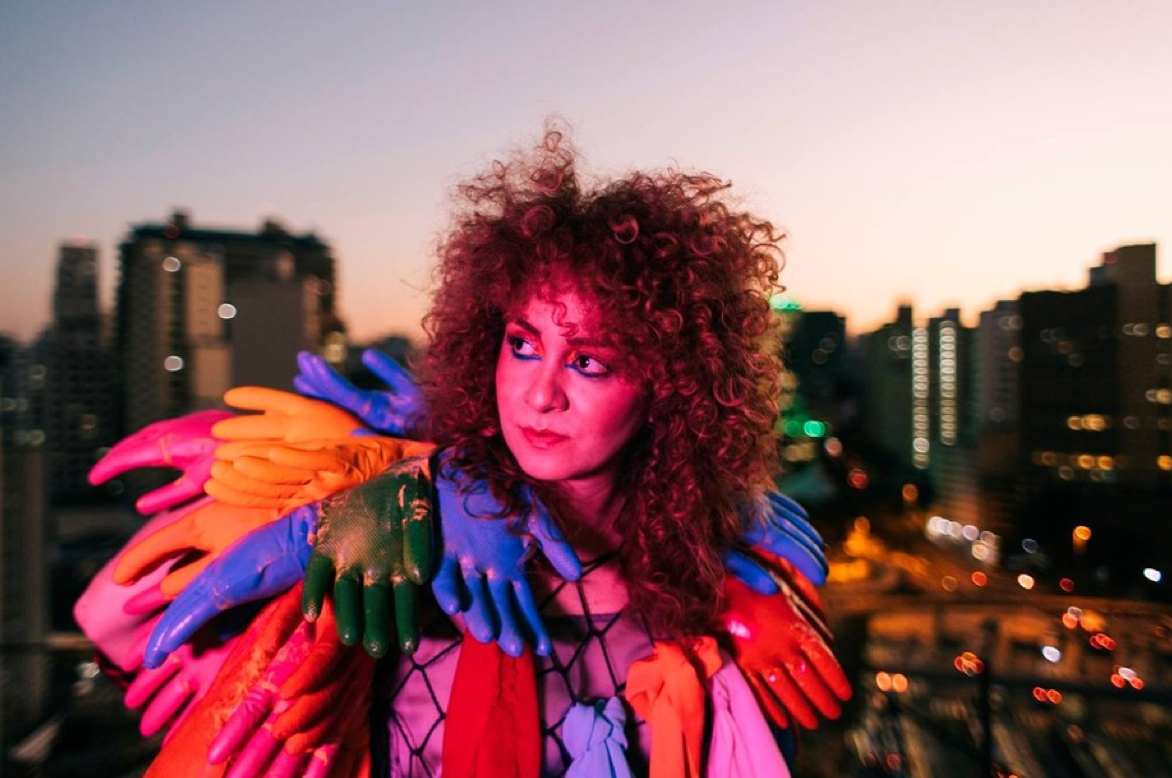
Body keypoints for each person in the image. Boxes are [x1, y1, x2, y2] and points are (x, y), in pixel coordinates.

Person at [79, 126, 849, 777]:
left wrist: (740, 557)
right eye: (522, 344)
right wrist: (375, 492)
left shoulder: (729, 583)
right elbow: (108, 616)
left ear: (670, 385)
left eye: (589, 361)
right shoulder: (409, 535)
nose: (539, 394)